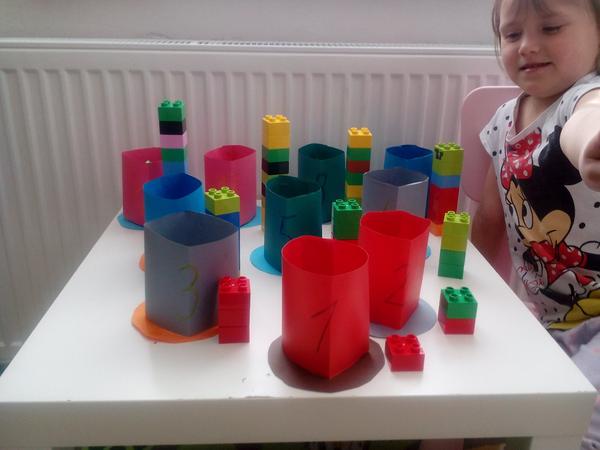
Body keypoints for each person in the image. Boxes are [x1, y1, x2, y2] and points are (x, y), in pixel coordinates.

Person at [471, 0, 600, 448]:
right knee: (508, 408)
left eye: (551, 28)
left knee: (575, 424)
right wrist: (466, 288)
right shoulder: (501, 124)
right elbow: (490, 219)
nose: (527, 45)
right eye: (512, 35)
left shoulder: (583, 99)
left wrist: (592, 140)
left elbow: (586, 117)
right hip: (550, 318)